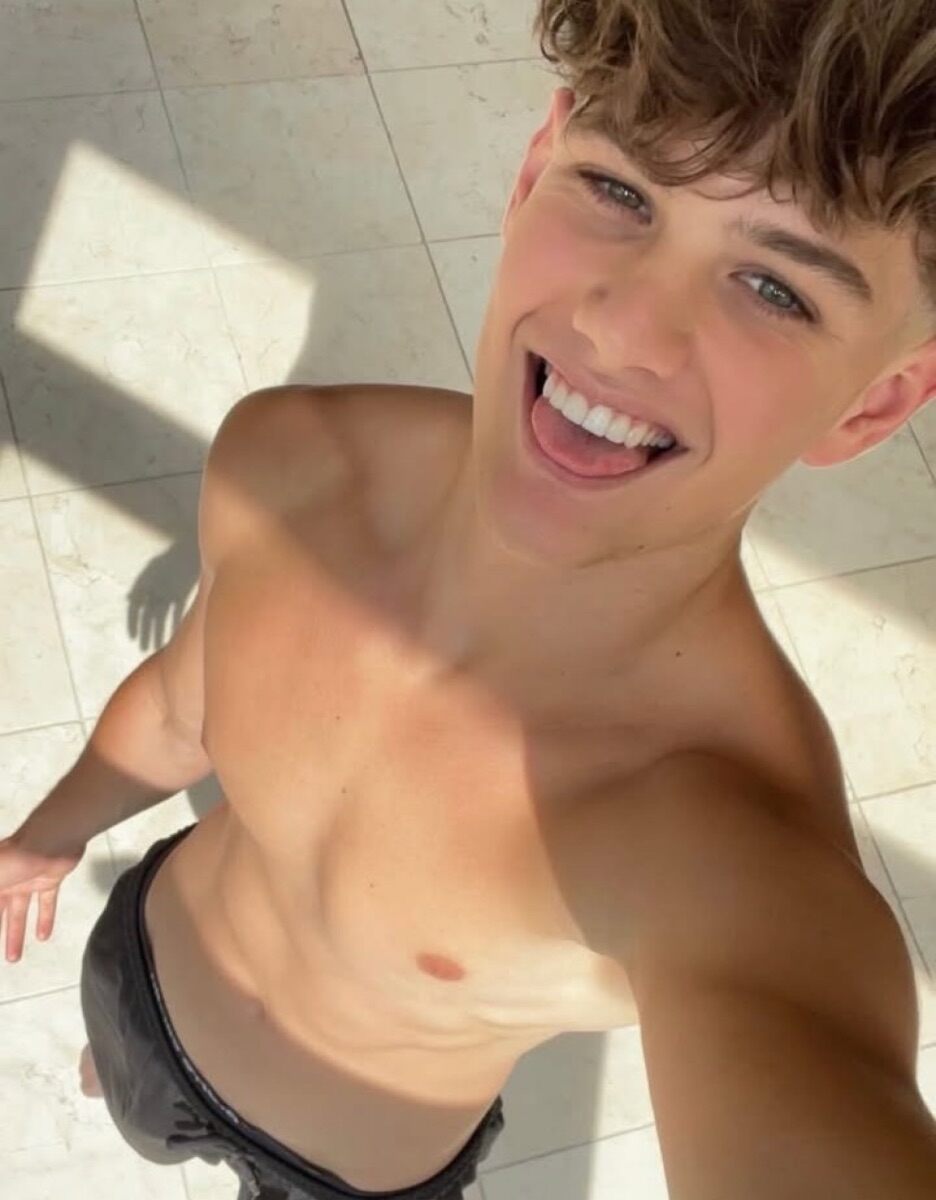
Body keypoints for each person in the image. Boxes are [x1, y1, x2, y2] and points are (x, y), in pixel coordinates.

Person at [3, 1, 936, 1196]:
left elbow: (812, 1074)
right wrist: (49, 834)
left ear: (874, 402)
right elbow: (187, 703)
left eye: (774, 286)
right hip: (142, 977)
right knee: (120, 1085)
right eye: (622, 192)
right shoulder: (292, 464)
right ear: (534, 170)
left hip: (343, 1169)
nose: (625, 328)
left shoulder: (727, 846)